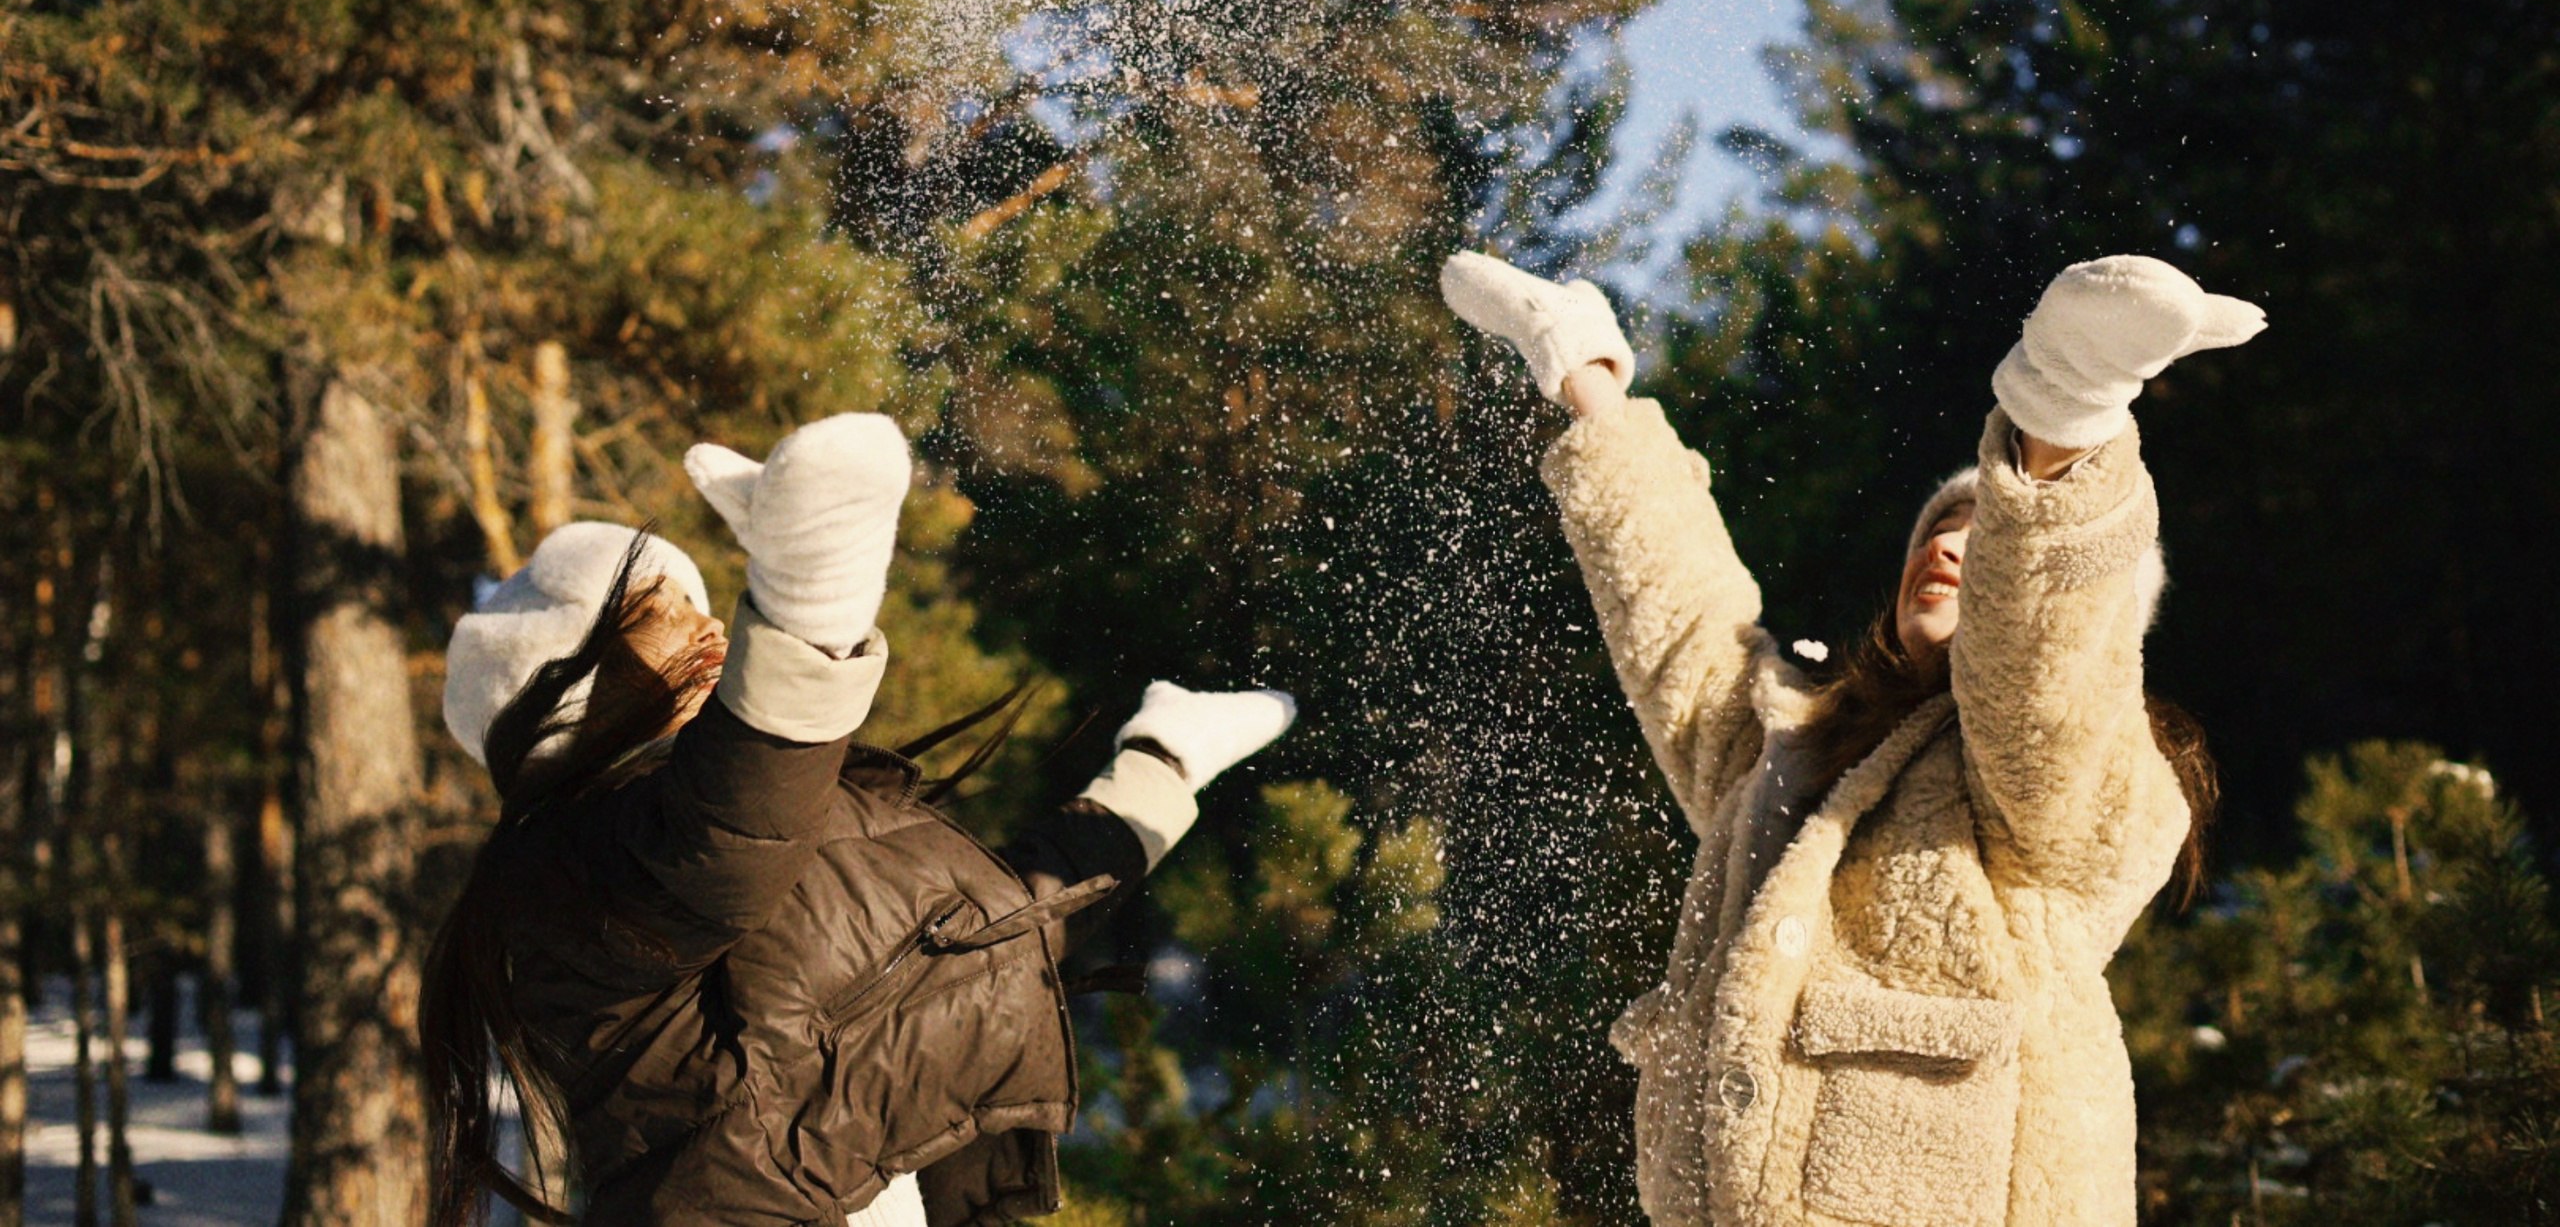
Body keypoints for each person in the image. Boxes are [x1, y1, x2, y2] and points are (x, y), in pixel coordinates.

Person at [1440, 251, 2256, 1227]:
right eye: (1939, 528)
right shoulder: (1792, 752)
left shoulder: (2072, 789)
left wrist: (2066, 407)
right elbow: (1678, 619)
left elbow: (2044, 666)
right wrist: (1586, 375)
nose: (1946, 544)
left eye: (1986, 534)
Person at [421, 412, 1296, 1227]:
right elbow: (730, 828)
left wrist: (1161, 763)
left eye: (703, 601)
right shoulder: (584, 861)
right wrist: (808, 599)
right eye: (665, 617)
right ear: (577, 693)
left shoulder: (775, 820)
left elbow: (989, 933)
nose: (713, 628)